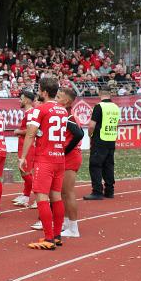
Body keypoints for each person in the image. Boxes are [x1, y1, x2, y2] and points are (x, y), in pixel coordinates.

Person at [18, 76, 68, 250]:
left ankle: (48, 238)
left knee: (42, 197)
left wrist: (23, 156)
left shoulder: (40, 110)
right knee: (56, 196)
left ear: (44, 92)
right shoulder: (63, 110)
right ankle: (57, 235)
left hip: (45, 159)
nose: (38, 92)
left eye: (40, 90)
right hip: (59, 158)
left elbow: (30, 134)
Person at [57, 87, 84, 237]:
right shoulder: (63, 115)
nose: (56, 99)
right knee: (62, 192)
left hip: (71, 157)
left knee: (68, 192)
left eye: (59, 97)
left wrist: (65, 151)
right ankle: (67, 223)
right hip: (65, 156)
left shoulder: (69, 117)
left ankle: (74, 228)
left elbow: (80, 134)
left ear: (66, 101)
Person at [84, 86, 119, 200]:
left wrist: (90, 135)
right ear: (111, 94)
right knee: (109, 166)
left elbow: (91, 125)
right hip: (111, 139)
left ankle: (97, 191)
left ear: (100, 94)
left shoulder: (99, 107)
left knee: (95, 165)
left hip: (100, 139)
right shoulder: (115, 107)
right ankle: (109, 191)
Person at [13, 91, 38, 209]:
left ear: (27, 100)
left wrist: (18, 132)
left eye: (21, 98)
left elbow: (30, 131)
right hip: (24, 145)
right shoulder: (29, 112)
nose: (19, 101)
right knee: (24, 171)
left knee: (25, 171)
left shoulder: (30, 113)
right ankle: (26, 195)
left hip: (27, 146)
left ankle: (40, 196)